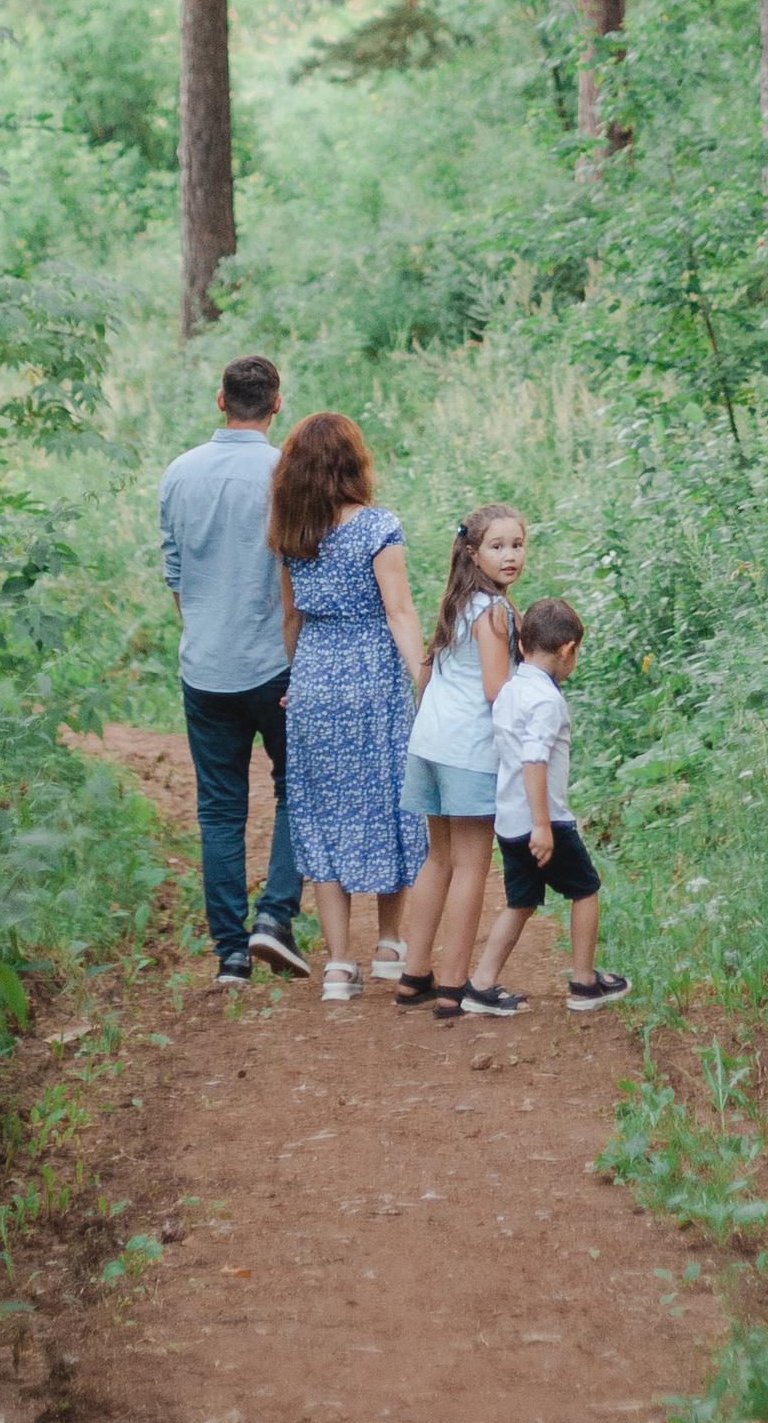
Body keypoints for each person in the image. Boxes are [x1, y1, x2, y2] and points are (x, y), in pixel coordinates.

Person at [158, 355, 310, 989]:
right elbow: (306, 571)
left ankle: (230, 956)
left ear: (220, 401)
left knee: (219, 810)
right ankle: (274, 917)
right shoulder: (288, 474)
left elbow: (175, 574)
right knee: (298, 788)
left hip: (206, 667)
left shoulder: (179, 473)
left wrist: (201, 633)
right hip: (277, 664)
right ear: (278, 406)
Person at [269, 411, 429, 1000]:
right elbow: (400, 612)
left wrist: (296, 678)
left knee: (321, 811)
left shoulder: (292, 533)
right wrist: (423, 681)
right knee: (388, 799)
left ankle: (338, 965)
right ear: (353, 463)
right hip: (372, 680)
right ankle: (389, 944)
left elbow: (292, 617)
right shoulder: (378, 526)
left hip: (314, 678)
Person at [394, 503, 526, 1022]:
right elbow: (497, 691)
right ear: (473, 552)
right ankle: (453, 987)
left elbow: (426, 675)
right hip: (468, 752)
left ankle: (414, 976)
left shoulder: (457, 602)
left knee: (439, 858)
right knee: (472, 864)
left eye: (517, 545)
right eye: (497, 546)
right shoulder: (496, 612)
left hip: (429, 744)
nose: (510, 555)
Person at [468, 596, 630, 1019]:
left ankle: (481, 985)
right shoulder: (547, 701)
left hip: (509, 821)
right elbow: (534, 760)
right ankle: (583, 981)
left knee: (520, 902)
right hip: (545, 822)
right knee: (586, 890)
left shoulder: (508, 691)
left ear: (521, 647)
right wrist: (543, 824)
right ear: (568, 650)